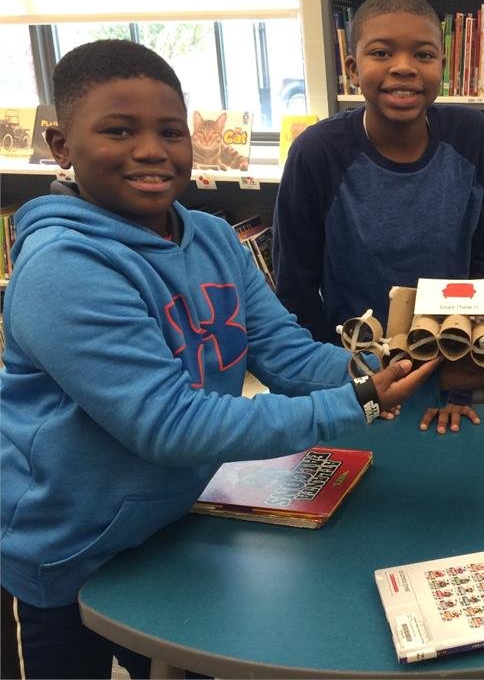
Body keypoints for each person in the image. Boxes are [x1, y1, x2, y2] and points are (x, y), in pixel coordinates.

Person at [0, 40, 438, 680]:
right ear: (61, 145)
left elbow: (282, 351)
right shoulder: (62, 269)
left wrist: (382, 371)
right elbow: (169, 426)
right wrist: (360, 402)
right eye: (119, 131)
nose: (152, 150)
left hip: (171, 534)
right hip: (62, 561)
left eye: (171, 131)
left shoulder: (207, 234)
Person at [272, 0, 484, 433]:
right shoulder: (316, 153)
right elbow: (296, 288)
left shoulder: (472, 134)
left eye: (423, 54)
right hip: (352, 377)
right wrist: (348, 390)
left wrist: (460, 382)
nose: (403, 66)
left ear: (443, 66)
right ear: (352, 68)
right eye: (381, 52)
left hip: (450, 370)